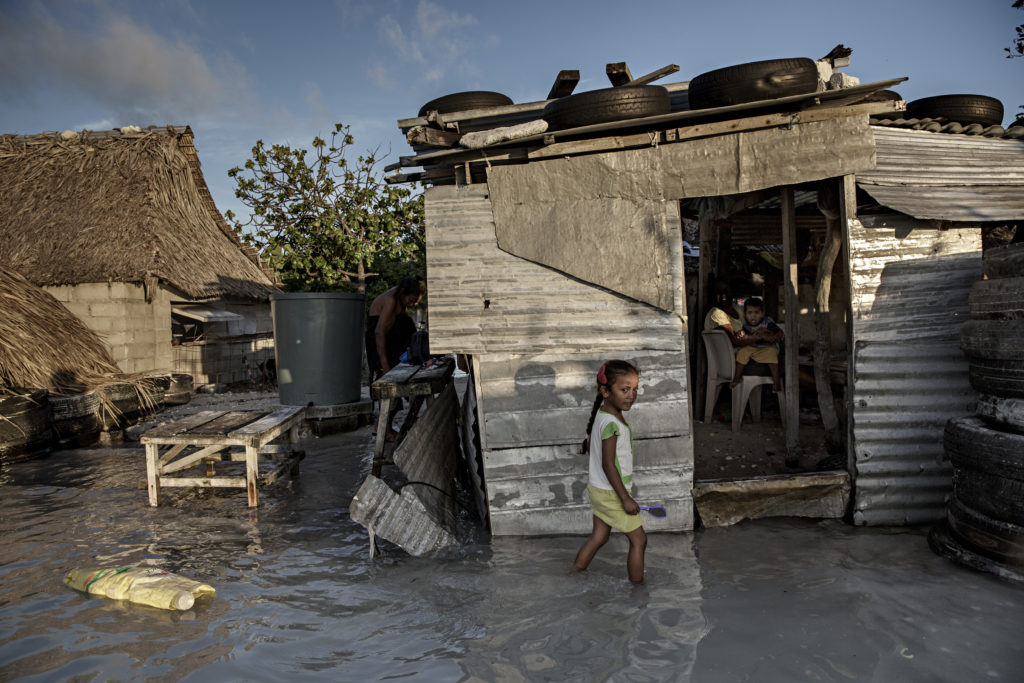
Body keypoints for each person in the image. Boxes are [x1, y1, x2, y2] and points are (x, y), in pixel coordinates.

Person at [571, 360, 647, 583]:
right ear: (605, 391)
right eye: (624, 390)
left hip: (600, 490)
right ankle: (638, 591)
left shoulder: (604, 415)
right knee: (639, 540)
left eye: (635, 389)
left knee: (600, 536)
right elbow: (608, 464)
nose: (631, 395)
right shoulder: (611, 423)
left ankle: (573, 574)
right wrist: (625, 498)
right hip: (611, 493)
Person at [365, 276, 424, 440]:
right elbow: (379, 332)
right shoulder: (391, 300)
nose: (414, 304)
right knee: (388, 386)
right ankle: (383, 428)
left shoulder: (400, 302)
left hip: (391, 342)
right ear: (405, 293)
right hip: (379, 344)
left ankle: (387, 426)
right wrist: (384, 364)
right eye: (412, 300)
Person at [732, 296, 784, 392]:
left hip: (765, 348)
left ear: (762, 313)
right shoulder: (745, 326)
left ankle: (776, 381)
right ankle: (737, 377)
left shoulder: (767, 322)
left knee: (772, 354)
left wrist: (774, 335)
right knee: (742, 352)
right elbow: (742, 337)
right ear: (745, 314)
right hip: (751, 348)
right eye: (750, 313)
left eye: (756, 313)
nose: (753, 316)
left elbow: (777, 332)